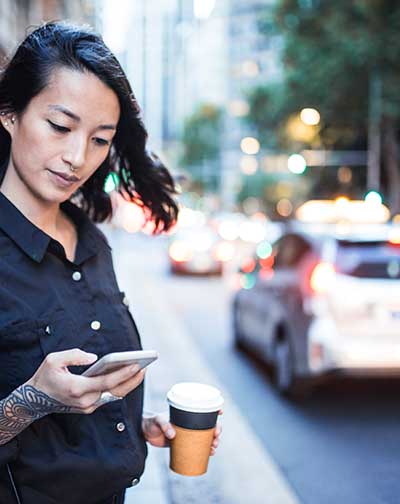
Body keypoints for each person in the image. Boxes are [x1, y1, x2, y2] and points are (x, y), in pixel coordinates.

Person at [0, 21, 222, 504]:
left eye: (100, 139)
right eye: (60, 126)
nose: (77, 157)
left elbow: (88, 395)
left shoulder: (93, 242)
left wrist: (138, 425)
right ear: (10, 114)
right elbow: (33, 408)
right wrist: (30, 402)